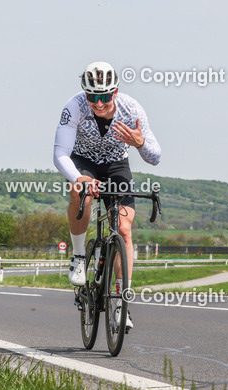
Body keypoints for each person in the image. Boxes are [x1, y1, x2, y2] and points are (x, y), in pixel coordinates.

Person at [53, 61, 161, 331]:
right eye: (92, 97)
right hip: (83, 161)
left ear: (115, 92)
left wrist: (140, 143)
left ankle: (122, 305)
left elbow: (155, 157)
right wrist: (79, 178)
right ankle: (79, 257)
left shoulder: (132, 109)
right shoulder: (74, 107)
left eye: (104, 97)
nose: (98, 103)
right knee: (81, 194)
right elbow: (60, 154)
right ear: (85, 94)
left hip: (116, 166)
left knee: (124, 229)